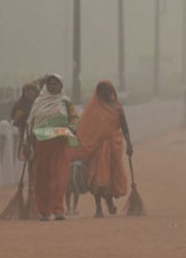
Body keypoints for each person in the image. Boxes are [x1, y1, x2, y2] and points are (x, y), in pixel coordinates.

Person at [74, 80, 133, 217]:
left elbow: (124, 126)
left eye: (107, 90)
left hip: (114, 146)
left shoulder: (117, 107)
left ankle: (109, 202)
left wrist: (129, 144)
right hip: (97, 147)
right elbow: (85, 127)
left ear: (112, 91)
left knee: (111, 175)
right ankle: (98, 207)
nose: (105, 93)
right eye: (102, 90)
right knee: (97, 177)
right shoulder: (93, 107)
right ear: (98, 92)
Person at [26, 74, 79, 221]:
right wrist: (27, 143)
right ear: (46, 86)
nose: (52, 86)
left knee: (60, 176)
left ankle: (58, 209)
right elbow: (30, 122)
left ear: (60, 86)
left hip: (59, 143)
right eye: (50, 84)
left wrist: (73, 127)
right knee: (42, 178)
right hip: (41, 143)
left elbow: (74, 117)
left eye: (55, 84)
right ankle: (44, 211)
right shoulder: (39, 102)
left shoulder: (66, 102)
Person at [11, 82, 40, 159]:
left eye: (32, 90)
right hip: (25, 132)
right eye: (28, 91)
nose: (30, 93)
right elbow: (16, 119)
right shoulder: (19, 105)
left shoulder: (39, 104)